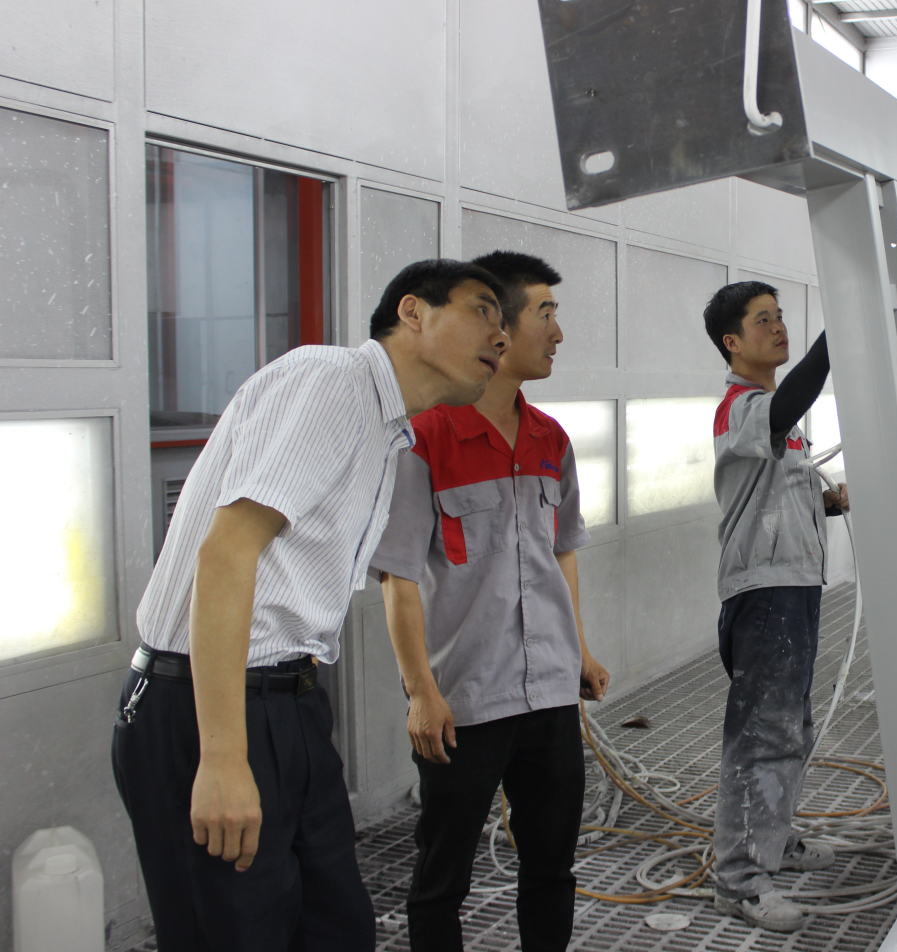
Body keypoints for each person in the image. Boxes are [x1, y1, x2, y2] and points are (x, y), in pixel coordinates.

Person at [112, 259, 509, 951]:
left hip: (290, 702)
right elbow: (226, 553)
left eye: (504, 323)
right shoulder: (331, 381)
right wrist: (223, 759)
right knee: (234, 934)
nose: (499, 336)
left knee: (334, 927)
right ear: (413, 312)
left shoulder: (388, 430)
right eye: (482, 310)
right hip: (209, 704)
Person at [368, 250, 606, 952]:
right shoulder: (424, 439)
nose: (557, 333)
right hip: (464, 702)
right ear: (497, 328)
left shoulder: (550, 439)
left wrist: (579, 650)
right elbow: (398, 577)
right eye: (545, 314)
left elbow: (562, 551)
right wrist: (421, 692)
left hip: (550, 694)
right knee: (442, 878)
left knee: (552, 868)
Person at [702, 280, 849, 933]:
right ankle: (738, 878)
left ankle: (774, 837)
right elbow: (790, 402)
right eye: (763, 320)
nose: (779, 327)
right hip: (764, 594)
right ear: (732, 342)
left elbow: (771, 500)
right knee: (763, 733)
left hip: (793, 585)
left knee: (790, 726)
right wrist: (842, 329)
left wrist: (826, 503)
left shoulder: (776, 420)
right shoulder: (742, 408)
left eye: (781, 316)